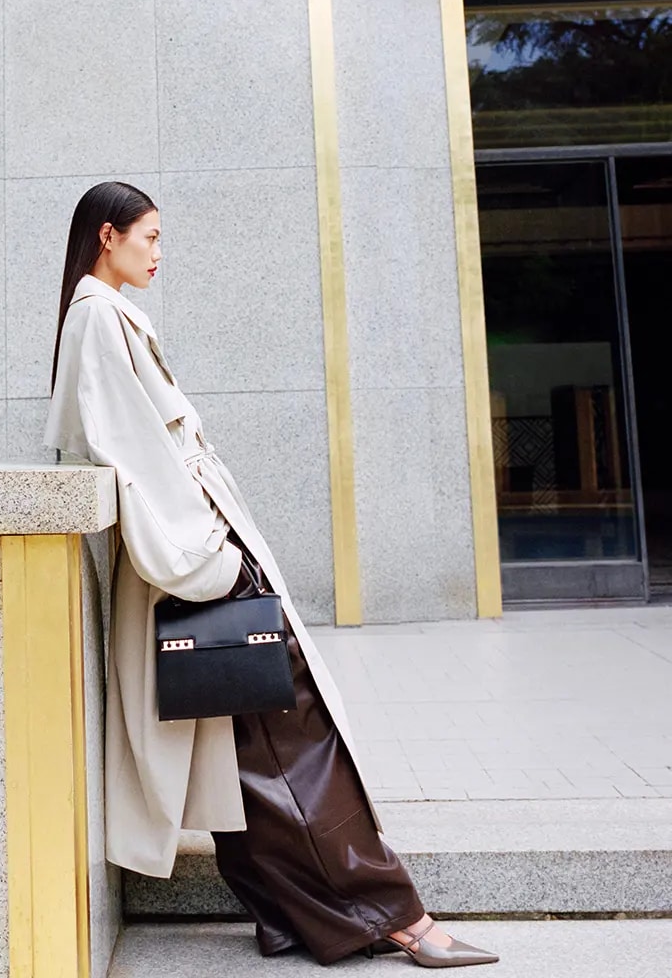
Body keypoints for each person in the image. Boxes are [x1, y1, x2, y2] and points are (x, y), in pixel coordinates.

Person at [43, 181, 499, 969]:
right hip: (201, 575)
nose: (159, 251)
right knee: (300, 746)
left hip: (196, 574)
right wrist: (217, 564)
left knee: (251, 759)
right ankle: (398, 917)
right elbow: (136, 459)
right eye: (149, 236)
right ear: (109, 237)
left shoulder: (105, 318)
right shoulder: (97, 320)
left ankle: (290, 916)